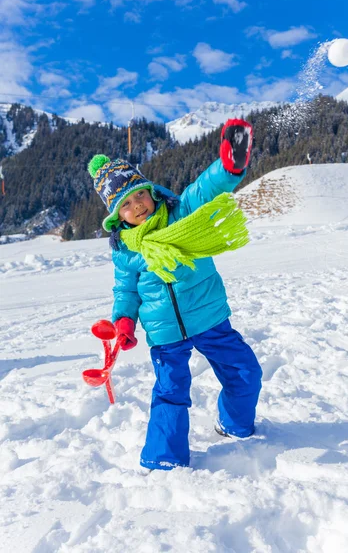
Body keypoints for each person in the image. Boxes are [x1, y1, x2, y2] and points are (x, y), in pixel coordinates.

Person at [88, 119, 263, 471]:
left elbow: (206, 188)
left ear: (152, 191)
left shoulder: (180, 214)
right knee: (170, 391)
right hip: (164, 333)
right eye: (126, 203)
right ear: (116, 216)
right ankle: (164, 458)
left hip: (209, 317)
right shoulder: (124, 250)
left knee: (245, 372)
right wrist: (123, 321)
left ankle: (235, 425)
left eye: (140, 194)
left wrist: (230, 167)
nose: (137, 205)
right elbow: (126, 290)